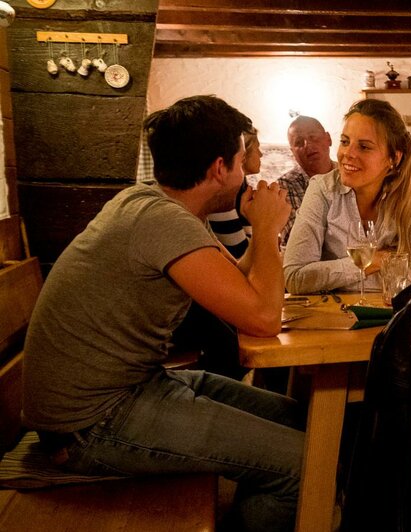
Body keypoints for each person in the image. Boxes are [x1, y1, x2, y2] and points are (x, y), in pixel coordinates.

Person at [22, 95, 303, 532]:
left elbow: (238, 286)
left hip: (132, 389)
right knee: (303, 464)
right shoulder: (164, 222)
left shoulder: (158, 207)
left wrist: (260, 227)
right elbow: (263, 320)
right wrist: (267, 229)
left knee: (297, 419)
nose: (247, 169)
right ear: (219, 168)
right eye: (240, 157)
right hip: (91, 424)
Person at [284, 99, 411, 294]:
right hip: (336, 318)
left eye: (364, 147)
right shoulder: (323, 189)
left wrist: (337, 274)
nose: (347, 154)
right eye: (345, 142)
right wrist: (376, 260)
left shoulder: (407, 195)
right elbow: (295, 278)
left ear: (393, 158)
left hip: (394, 314)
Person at [278, 115, 335, 247]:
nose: (307, 145)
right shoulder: (285, 186)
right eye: (298, 142)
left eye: (313, 137)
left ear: (328, 139)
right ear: (292, 152)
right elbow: (300, 240)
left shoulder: (348, 175)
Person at [208, 127, 261, 258]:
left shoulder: (242, 188)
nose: (261, 154)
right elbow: (241, 254)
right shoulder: (220, 195)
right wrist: (266, 225)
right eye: (257, 147)